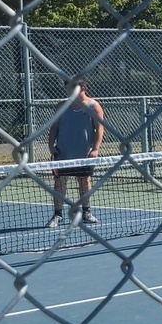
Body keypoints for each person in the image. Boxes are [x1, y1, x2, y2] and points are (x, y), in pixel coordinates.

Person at [46, 78, 105, 228]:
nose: (69, 90)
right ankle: (57, 215)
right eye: (67, 87)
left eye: (73, 87)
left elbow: (100, 129)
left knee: (84, 181)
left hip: (84, 153)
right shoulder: (61, 106)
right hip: (63, 153)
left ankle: (86, 212)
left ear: (83, 87)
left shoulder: (93, 106)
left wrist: (96, 148)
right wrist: (51, 146)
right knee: (59, 183)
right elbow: (54, 127)